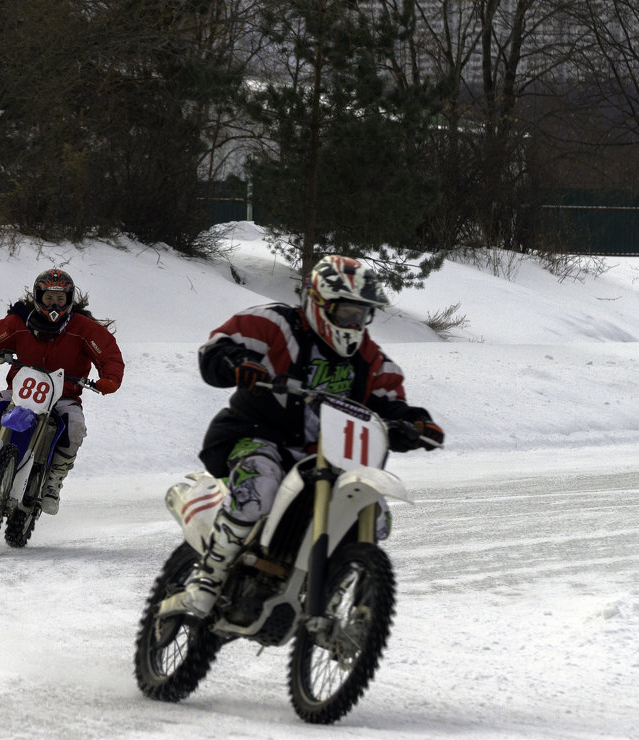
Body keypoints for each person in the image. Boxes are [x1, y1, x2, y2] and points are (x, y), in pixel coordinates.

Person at [162, 254, 443, 618]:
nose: (355, 322)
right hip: (258, 435)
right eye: (346, 312)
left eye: (362, 313)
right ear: (319, 302)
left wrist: (415, 424)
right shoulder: (276, 323)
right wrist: (237, 363)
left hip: (328, 458)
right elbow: (219, 346)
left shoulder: (371, 358)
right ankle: (207, 580)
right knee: (257, 487)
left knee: (374, 515)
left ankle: (330, 588)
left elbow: (389, 404)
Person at [0, 268, 124, 514]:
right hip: (19, 392)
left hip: (64, 396)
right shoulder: (20, 321)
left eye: (60, 299)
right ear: (38, 297)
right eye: (49, 298)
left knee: (75, 428)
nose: (54, 304)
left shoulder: (84, 328)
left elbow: (109, 354)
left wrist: (110, 379)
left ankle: (54, 481)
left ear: (69, 299)